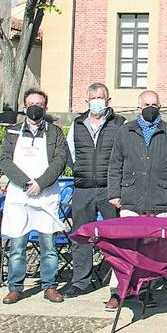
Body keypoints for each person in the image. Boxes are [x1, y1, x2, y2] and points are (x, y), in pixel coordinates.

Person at [105, 90, 167, 310]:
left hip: (159, 198)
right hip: (130, 198)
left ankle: (146, 291)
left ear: (160, 107)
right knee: (125, 248)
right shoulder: (125, 130)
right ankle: (118, 291)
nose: (151, 107)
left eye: (155, 104)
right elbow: (115, 164)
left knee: (152, 251)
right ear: (138, 107)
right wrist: (114, 193)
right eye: (146, 104)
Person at [0, 88, 69, 304]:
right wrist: (25, 182)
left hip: (45, 196)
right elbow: (5, 160)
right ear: (24, 107)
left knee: (49, 246)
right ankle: (15, 287)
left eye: (39, 103)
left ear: (45, 108)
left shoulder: (55, 132)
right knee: (18, 246)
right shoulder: (12, 132)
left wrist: (40, 183)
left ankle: (50, 286)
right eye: (30, 104)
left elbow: (60, 159)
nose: (34, 107)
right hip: (20, 197)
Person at [62, 82, 125, 299]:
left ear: (108, 101)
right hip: (84, 188)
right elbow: (69, 152)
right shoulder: (77, 123)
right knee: (81, 236)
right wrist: (79, 170)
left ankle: (118, 283)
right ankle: (81, 281)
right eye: (94, 97)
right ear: (87, 101)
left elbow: (124, 154)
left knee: (116, 236)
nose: (97, 101)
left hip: (110, 189)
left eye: (101, 97)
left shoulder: (120, 124)